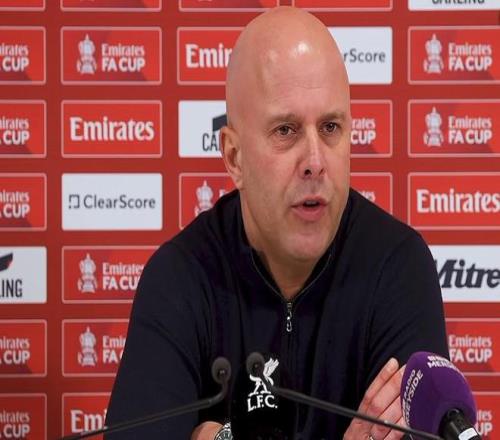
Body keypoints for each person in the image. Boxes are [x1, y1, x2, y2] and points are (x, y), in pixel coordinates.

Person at [106, 6, 448, 439]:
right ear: (234, 157)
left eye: (330, 127)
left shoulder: (397, 267)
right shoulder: (180, 276)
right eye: (286, 130)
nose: (315, 161)